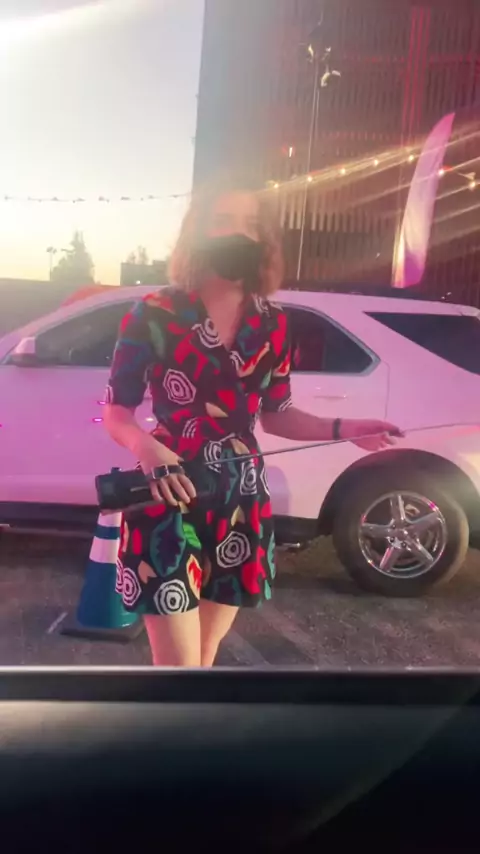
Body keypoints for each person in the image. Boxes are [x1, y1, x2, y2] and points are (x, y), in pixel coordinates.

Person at [104, 187, 402, 667]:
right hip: (169, 492)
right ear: (199, 230)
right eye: (225, 219)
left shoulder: (273, 323)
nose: (240, 233)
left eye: (252, 224)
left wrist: (347, 428)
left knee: (204, 658)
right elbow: (117, 412)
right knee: (178, 670)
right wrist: (146, 448)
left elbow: (278, 413)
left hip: (240, 499)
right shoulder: (155, 313)